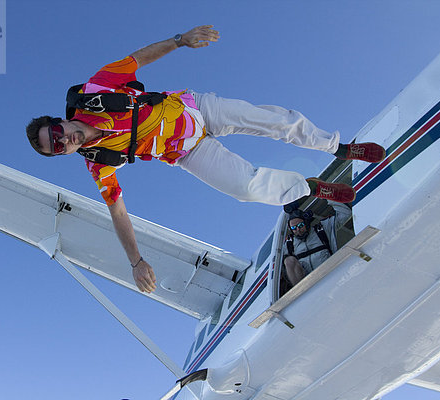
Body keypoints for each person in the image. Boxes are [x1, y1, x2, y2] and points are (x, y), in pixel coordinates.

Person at [26, 25, 386, 294]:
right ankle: (308, 187)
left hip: (196, 109)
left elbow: (138, 59)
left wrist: (180, 40)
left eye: (57, 134)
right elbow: (118, 211)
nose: (64, 141)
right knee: (244, 187)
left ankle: (337, 148)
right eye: (57, 147)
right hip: (187, 151)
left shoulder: (96, 90)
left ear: (59, 120)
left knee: (272, 121)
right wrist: (136, 261)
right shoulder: (98, 163)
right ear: (63, 153)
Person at [283, 201, 351, 286]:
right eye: (293, 228)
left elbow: (345, 214)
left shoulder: (322, 229)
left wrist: (326, 195)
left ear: (306, 222)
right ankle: (302, 292)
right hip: (310, 284)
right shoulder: (289, 243)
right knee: (288, 260)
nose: (298, 230)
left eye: (300, 225)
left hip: (331, 274)